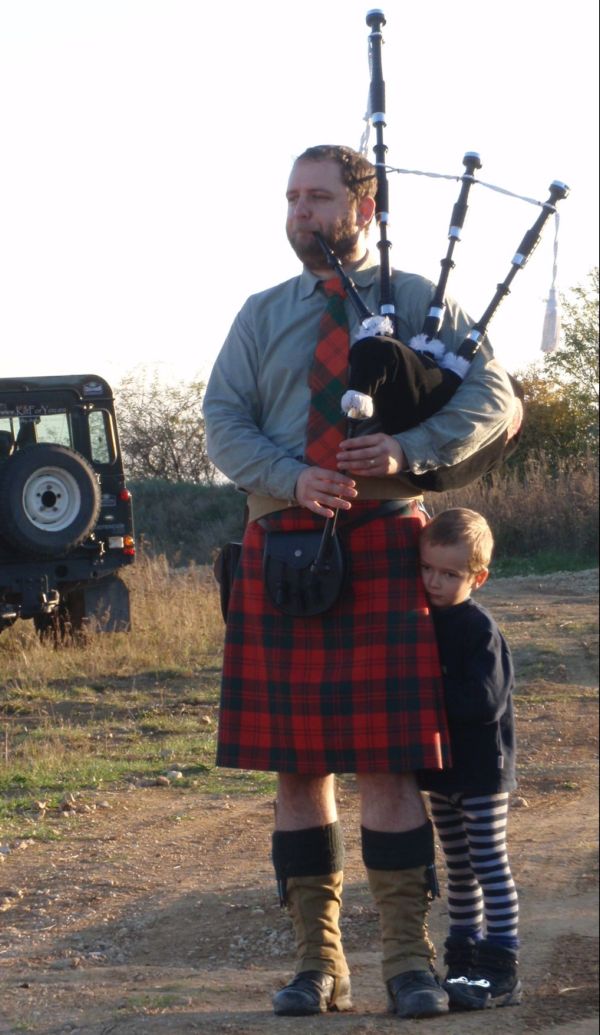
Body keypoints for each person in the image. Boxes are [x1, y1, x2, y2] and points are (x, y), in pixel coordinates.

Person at [203, 144, 516, 1020]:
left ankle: (409, 963)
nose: (300, 212)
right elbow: (221, 421)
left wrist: (410, 449)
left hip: (382, 541)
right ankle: (318, 965)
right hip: (281, 547)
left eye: (317, 196)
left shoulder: (417, 301)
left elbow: (496, 398)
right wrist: (290, 474)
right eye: (291, 197)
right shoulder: (262, 314)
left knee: (389, 765)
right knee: (297, 770)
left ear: (363, 209)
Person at [418, 507, 522, 1010]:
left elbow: (485, 702)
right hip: (443, 770)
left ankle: (500, 967)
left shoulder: (478, 629)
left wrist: (426, 694)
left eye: (450, 574)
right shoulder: (421, 619)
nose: (434, 582)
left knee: (488, 863)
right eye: (427, 568)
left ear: (477, 578)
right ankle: (462, 962)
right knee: (458, 868)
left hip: (482, 770)